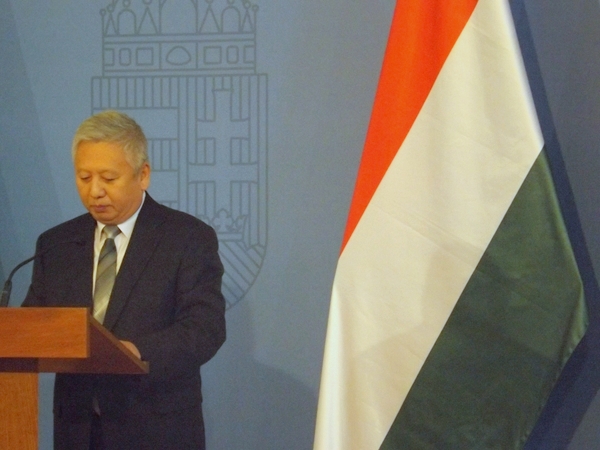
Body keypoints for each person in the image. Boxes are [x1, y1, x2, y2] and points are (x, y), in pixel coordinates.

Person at [23, 110, 226, 450]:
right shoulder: (56, 244)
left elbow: (205, 328)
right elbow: (33, 327)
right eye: (84, 177)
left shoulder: (187, 238)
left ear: (143, 175)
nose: (95, 191)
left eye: (108, 178)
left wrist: (136, 352)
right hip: (78, 431)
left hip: (156, 429)